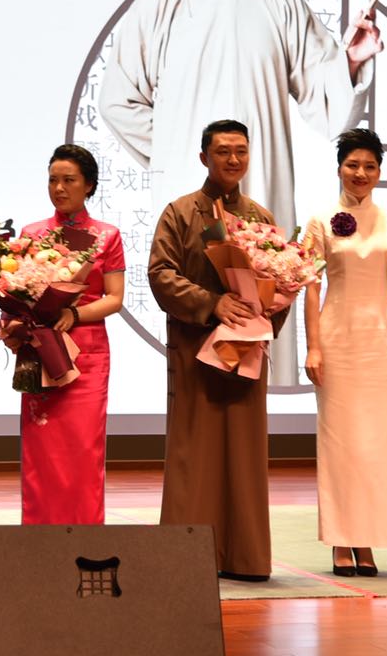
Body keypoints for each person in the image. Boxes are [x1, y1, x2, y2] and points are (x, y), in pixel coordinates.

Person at [101, 0, 380, 384]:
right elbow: (118, 100)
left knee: (257, 331)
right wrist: (180, 153)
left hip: (261, 188)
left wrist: (351, 60)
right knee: (194, 332)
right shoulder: (161, 0)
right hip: (190, 197)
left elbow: (322, 95)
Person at [148, 119, 288, 580]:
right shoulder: (180, 212)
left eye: (241, 151)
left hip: (245, 351)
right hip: (196, 351)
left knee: (244, 454)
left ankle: (244, 557)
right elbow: (161, 274)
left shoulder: (260, 218)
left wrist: (261, 316)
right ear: (203, 157)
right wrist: (213, 303)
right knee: (195, 453)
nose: (233, 159)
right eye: (223, 151)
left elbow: (282, 279)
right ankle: (185, 558)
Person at [303, 128, 387, 576]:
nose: (361, 173)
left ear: (379, 172)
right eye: (353, 165)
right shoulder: (320, 219)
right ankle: (340, 539)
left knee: (375, 441)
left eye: (370, 166)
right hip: (336, 337)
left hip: (380, 341)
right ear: (339, 169)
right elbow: (311, 289)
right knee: (338, 440)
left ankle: (366, 539)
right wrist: (313, 346)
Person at [15, 144, 125, 524]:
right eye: (53, 180)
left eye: (69, 180)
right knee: (41, 451)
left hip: (88, 354)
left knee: (83, 450)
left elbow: (114, 299)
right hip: (42, 351)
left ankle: (85, 539)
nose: (59, 188)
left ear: (89, 184)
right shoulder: (32, 234)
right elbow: (19, 292)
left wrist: (73, 313)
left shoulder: (107, 235)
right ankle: (40, 540)